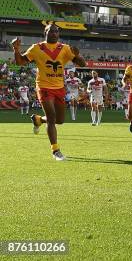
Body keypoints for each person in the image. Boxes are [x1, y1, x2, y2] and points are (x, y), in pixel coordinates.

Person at [11, 24, 86, 160]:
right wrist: (16, 50)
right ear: (45, 32)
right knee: (52, 118)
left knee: (60, 120)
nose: (54, 33)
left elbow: (82, 64)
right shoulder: (36, 48)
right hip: (44, 87)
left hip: (59, 88)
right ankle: (55, 151)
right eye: (51, 31)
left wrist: (77, 54)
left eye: (56, 31)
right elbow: (20, 62)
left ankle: (38, 120)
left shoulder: (65, 48)